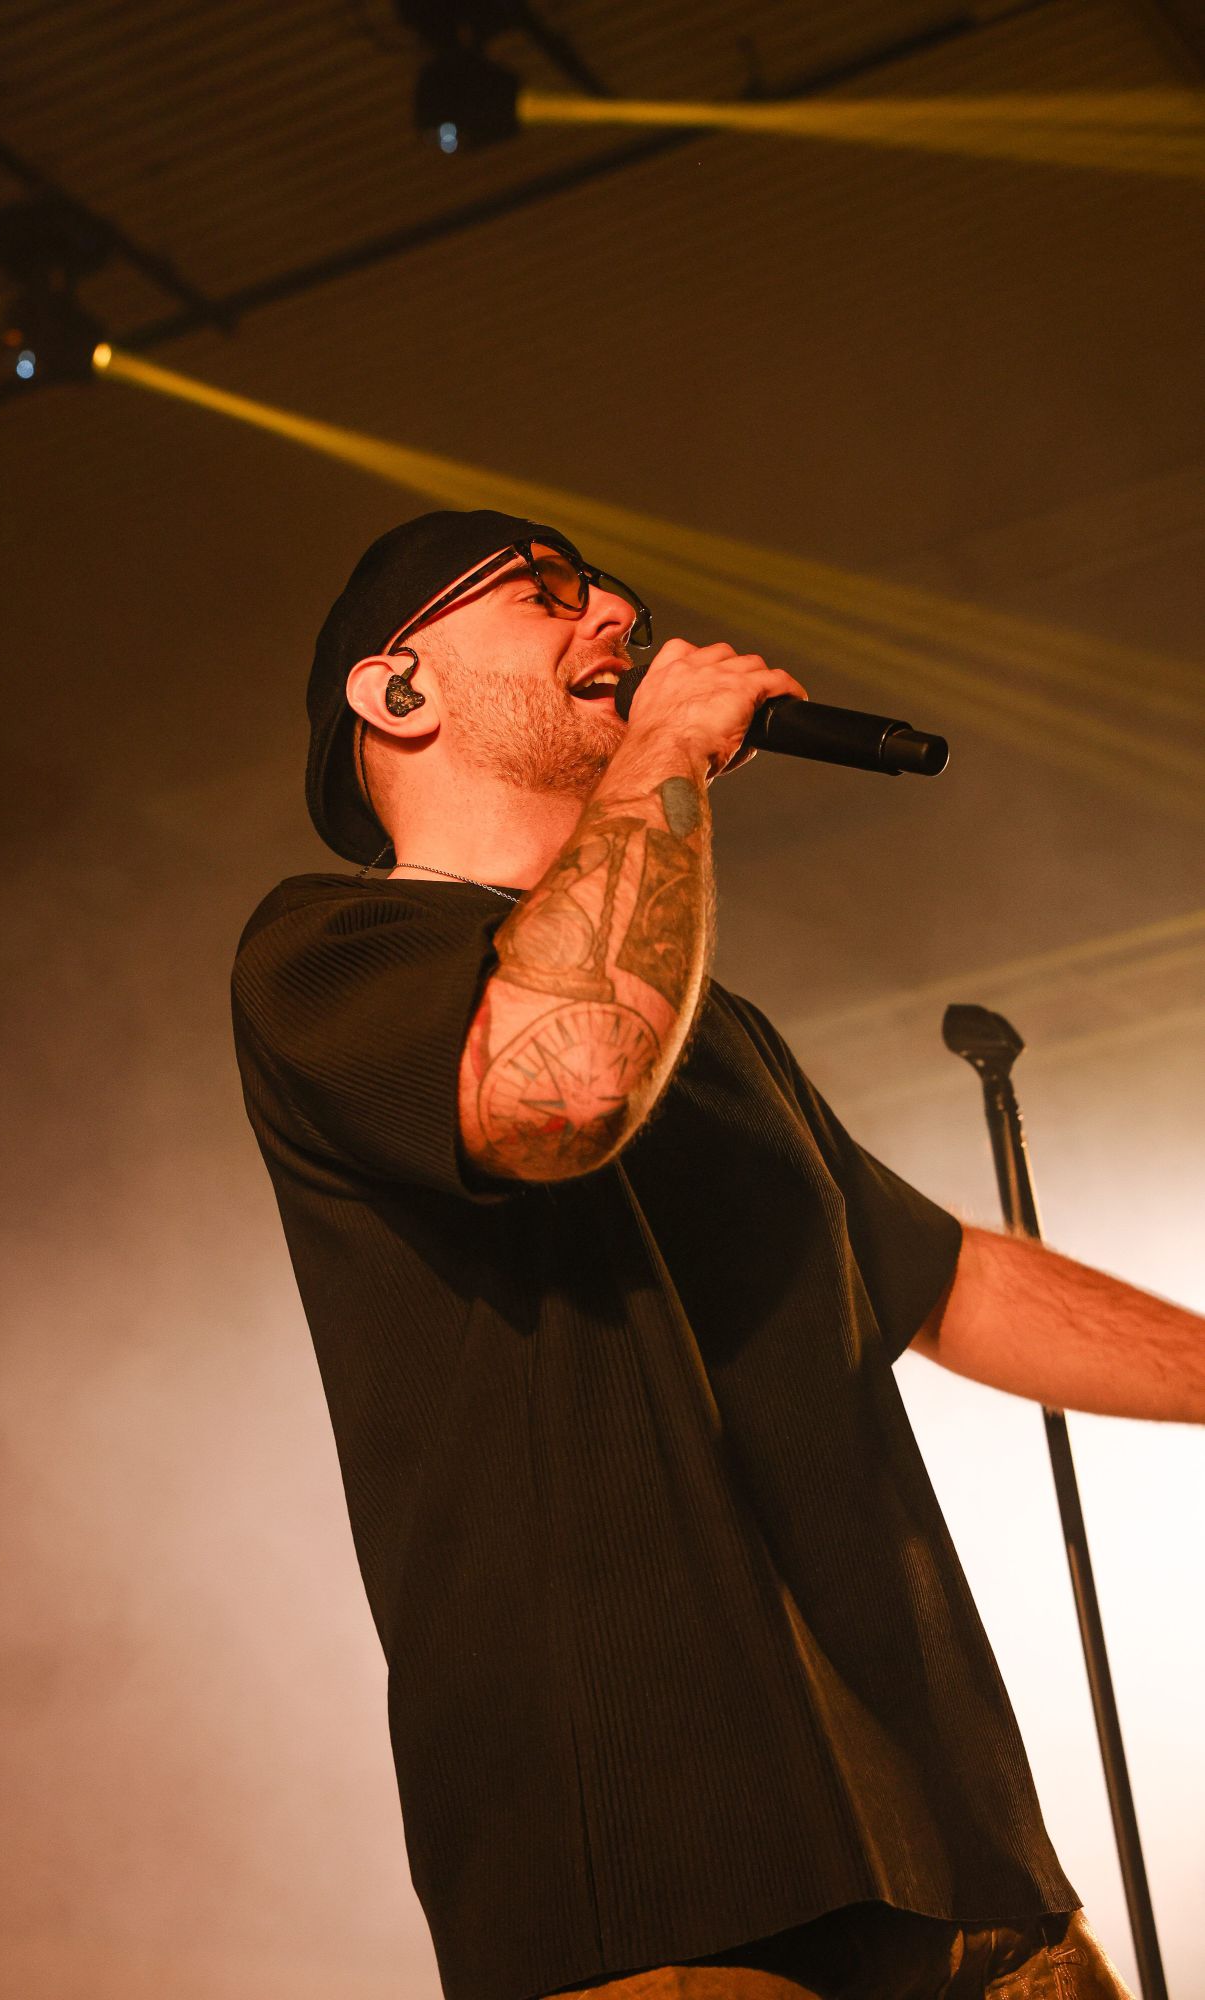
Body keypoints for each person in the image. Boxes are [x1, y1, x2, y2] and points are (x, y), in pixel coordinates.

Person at [231, 510, 1201, 2000]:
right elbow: (560, 1090)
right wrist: (668, 749)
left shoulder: (712, 1025)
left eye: (604, 591)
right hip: (666, 1882)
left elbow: (943, 1279)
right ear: (396, 690)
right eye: (546, 594)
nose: (614, 615)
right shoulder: (327, 952)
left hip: (961, 1870)